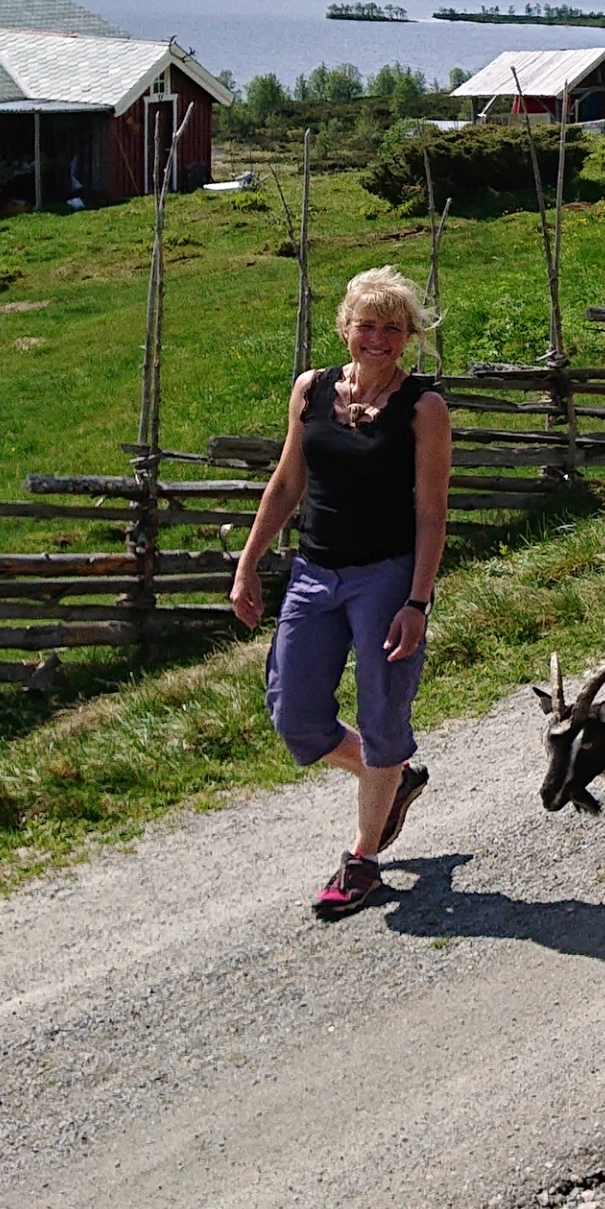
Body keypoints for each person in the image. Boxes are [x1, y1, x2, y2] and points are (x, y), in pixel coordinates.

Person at [233, 266, 452, 918]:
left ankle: (362, 861)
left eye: (392, 327)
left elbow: (432, 514)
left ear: (409, 335)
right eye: (367, 325)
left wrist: (417, 602)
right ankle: (392, 780)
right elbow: (285, 483)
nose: (378, 338)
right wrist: (248, 565)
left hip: (385, 575)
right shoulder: (312, 389)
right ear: (346, 328)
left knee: (384, 716)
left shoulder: (424, 408)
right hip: (313, 572)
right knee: (294, 714)